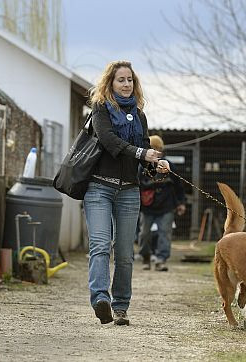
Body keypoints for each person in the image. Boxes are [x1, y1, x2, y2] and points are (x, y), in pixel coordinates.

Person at [84, 60, 169, 326]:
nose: (126, 84)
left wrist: (155, 165)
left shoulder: (139, 115)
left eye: (130, 80)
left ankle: (120, 306)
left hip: (129, 192)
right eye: (121, 80)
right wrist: (141, 153)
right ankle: (101, 299)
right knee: (100, 245)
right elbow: (110, 142)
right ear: (110, 83)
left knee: (124, 253)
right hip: (99, 187)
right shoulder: (101, 110)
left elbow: (143, 150)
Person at [138, 135, 186, 272]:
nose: (156, 151)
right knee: (144, 234)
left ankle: (161, 260)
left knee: (164, 233)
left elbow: (179, 186)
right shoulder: (142, 168)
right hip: (147, 206)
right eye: (153, 148)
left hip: (166, 206)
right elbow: (136, 186)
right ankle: (146, 257)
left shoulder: (169, 166)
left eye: (158, 148)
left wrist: (181, 203)